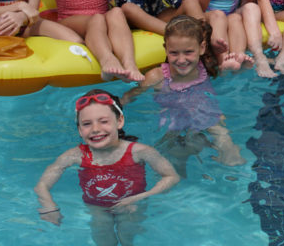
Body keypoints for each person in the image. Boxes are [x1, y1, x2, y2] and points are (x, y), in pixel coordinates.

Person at [34, 89, 180, 246]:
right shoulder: (75, 155)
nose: (95, 129)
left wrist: (138, 198)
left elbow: (171, 177)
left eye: (103, 121)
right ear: (79, 130)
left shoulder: (140, 152)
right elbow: (42, 185)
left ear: (119, 121)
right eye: (86, 124)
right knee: (103, 237)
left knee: (128, 235)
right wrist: (49, 206)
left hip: (133, 204)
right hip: (97, 207)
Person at [122, 16, 245, 176]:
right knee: (171, 164)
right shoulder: (157, 77)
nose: (181, 60)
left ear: (202, 48)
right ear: (165, 49)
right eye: (174, 53)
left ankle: (234, 179)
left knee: (225, 142)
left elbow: (230, 79)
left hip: (207, 121)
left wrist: (241, 66)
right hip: (173, 126)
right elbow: (128, 99)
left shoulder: (206, 68)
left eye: (188, 52)